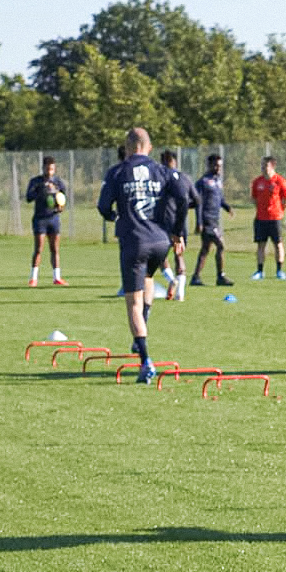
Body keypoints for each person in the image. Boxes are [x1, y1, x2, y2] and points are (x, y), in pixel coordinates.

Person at [97, 127, 174, 383]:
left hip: (135, 241)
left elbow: (103, 207)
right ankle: (146, 319)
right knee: (148, 277)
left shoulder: (118, 171)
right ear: (149, 147)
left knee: (133, 303)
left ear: (128, 147)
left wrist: (114, 216)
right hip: (161, 241)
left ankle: (145, 361)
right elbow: (179, 197)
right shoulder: (162, 170)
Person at [189, 152, 235, 286]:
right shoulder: (203, 182)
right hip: (207, 220)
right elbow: (198, 203)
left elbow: (220, 199)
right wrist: (199, 222)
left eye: (220, 166)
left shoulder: (218, 181)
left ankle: (195, 277)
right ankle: (220, 276)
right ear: (209, 165)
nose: (218, 168)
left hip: (215, 220)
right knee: (221, 245)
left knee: (205, 249)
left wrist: (227, 207)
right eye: (216, 165)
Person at [25, 155, 69, 286]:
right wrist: (40, 191)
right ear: (43, 168)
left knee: (55, 249)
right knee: (39, 249)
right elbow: (28, 197)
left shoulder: (58, 182)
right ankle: (33, 278)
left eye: (52, 169)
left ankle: (57, 277)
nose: (50, 172)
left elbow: (63, 197)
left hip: (54, 219)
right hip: (40, 219)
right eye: (47, 169)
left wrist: (60, 206)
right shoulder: (36, 182)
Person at [158, 150, 196, 300]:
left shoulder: (160, 177)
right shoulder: (184, 178)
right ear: (175, 161)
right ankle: (180, 293)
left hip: (163, 222)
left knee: (160, 256)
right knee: (179, 255)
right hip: (180, 222)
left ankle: (171, 280)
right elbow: (197, 200)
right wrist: (183, 207)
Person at [251, 155, 286, 280]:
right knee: (261, 245)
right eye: (262, 165)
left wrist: (279, 212)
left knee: (278, 244)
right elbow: (254, 198)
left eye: (265, 165)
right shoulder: (257, 182)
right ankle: (259, 271)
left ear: (272, 166)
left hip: (275, 219)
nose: (263, 168)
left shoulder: (280, 181)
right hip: (260, 218)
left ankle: (279, 271)